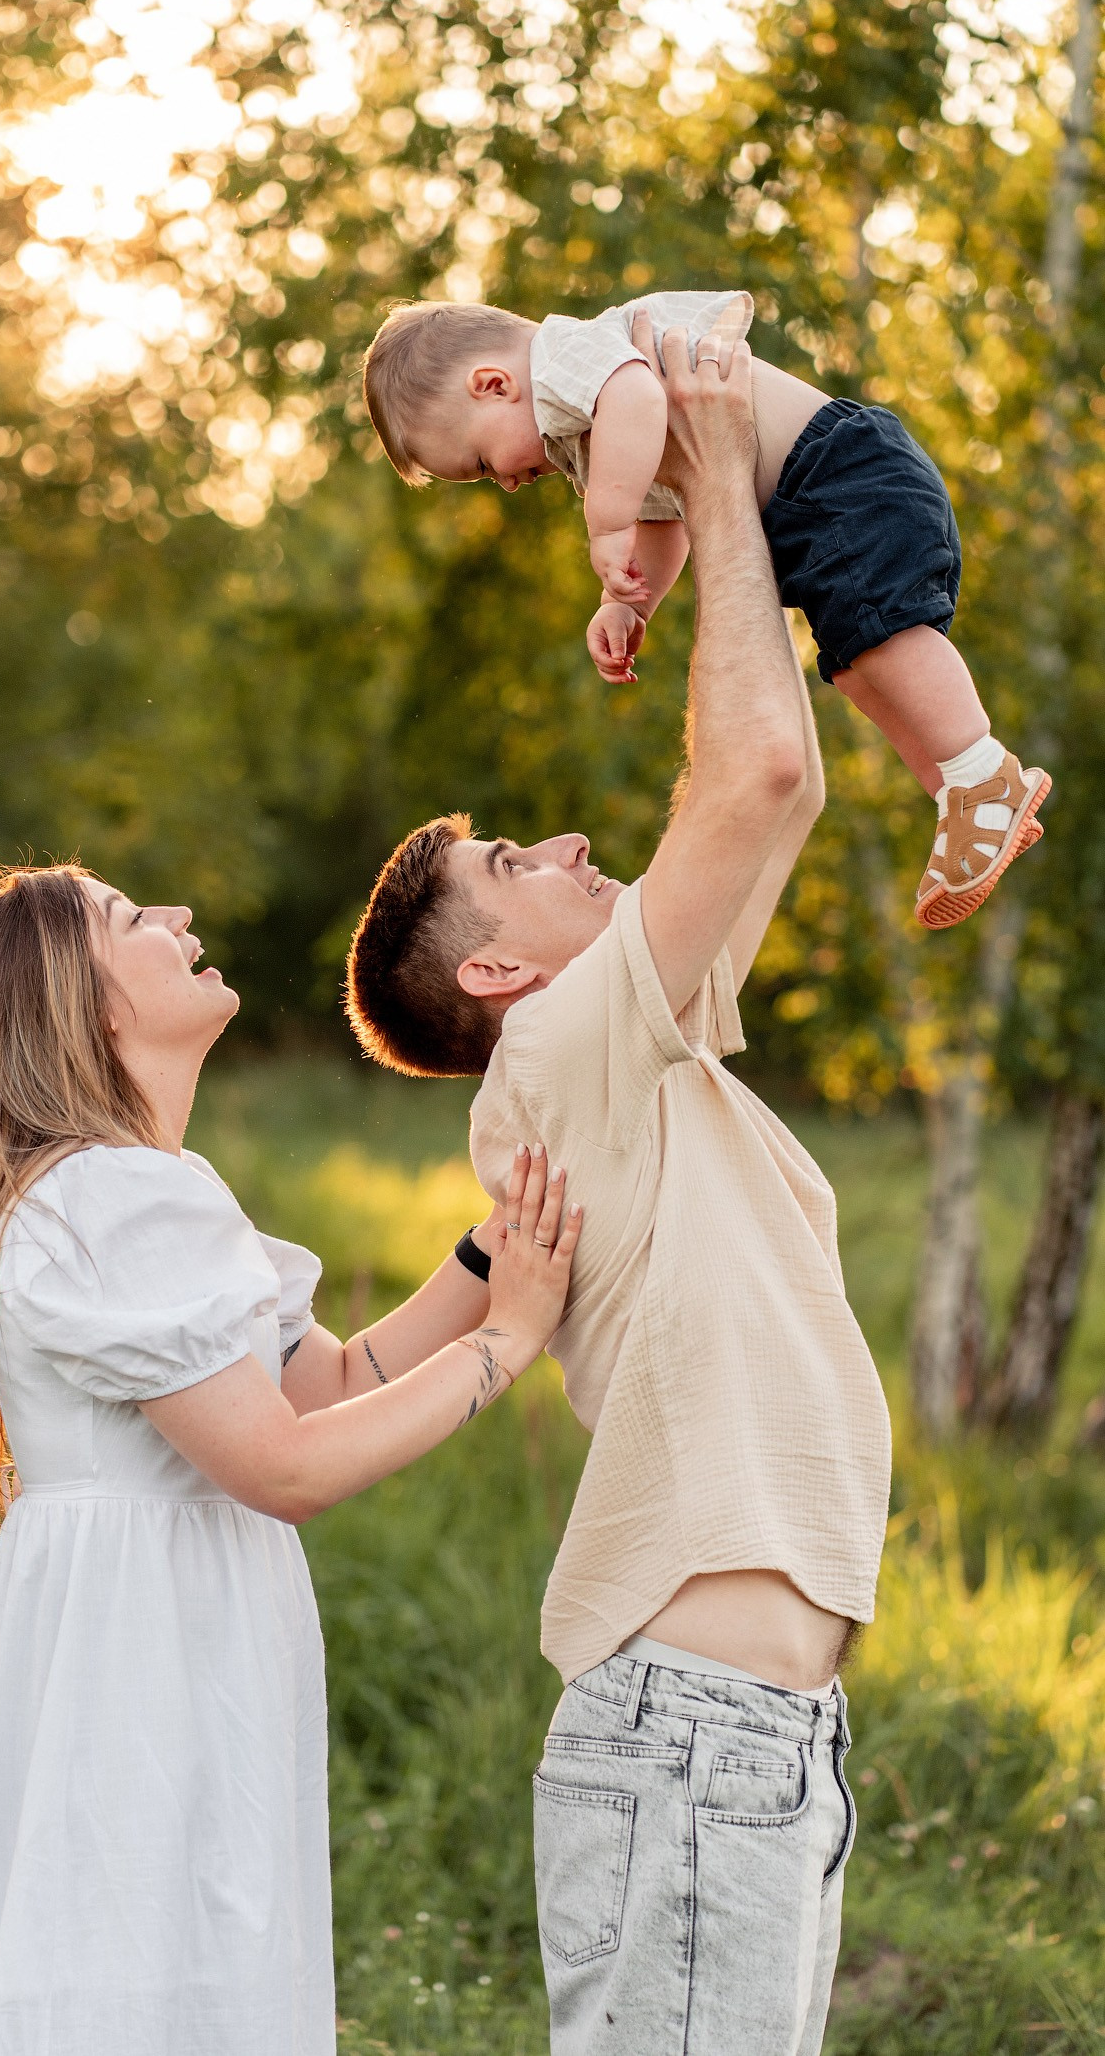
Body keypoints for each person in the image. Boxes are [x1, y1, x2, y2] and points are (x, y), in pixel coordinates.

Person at [345, 326, 893, 2056]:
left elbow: (770, 781)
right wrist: (720, 480)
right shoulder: (570, 1052)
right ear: (500, 980)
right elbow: (760, 775)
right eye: (516, 865)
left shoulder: (643, 1051)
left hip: (754, 1742)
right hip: (696, 1735)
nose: (570, 847)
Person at [0, 860, 580, 2056]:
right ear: (87, 1007)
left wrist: (483, 1257)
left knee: (153, 1966)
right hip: (145, 1653)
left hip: (137, 1627)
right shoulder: (113, 1199)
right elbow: (285, 1468)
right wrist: (508, 1343)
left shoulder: (121, 1195)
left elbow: (332, 1381)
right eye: (128, 919)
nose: (179, 919)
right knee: (153, 1966)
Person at [362, 289, 1049, 930]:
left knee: (883, 638)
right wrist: (630, 602)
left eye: (484, 464)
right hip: (811, 509)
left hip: (839, 473)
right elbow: (669, 514)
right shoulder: (579, 423)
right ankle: (962, 800)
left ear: (492, 384)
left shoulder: (568, 358)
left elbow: (638, 400)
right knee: (857, 667)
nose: (507, 485)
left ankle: (981, 774)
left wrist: (606, 526)